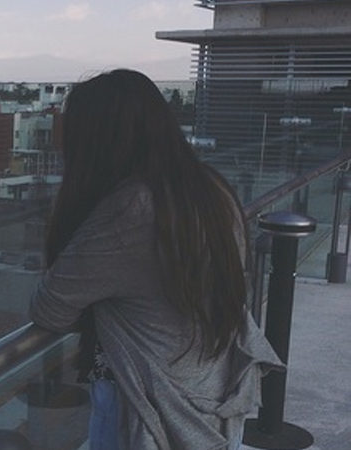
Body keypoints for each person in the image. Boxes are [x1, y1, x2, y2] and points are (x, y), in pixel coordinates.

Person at [29, 69, 283, 450]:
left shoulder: (131, 209)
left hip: (148, 414)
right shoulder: (211, 190)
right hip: (214, 396)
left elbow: (49, 309)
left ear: (98, 143)